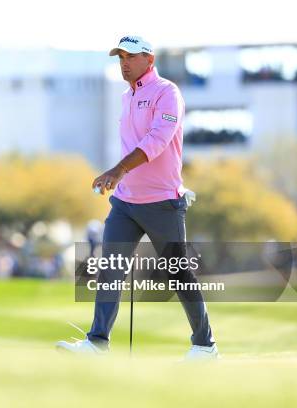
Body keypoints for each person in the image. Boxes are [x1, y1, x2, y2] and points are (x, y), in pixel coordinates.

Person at [56, 36, 217, 359]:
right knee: (110, 267)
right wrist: (120, 178)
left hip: (163, 202)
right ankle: (97, 342)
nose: (124, 63)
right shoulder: (127, 97)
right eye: (120, 58)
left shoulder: (167, 93)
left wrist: (117, 170)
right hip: (127, 203)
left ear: (150, 60)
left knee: (178, 272)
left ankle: (204, 345)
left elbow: (157, 140)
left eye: (131, 57)